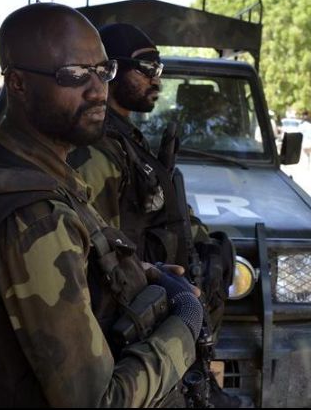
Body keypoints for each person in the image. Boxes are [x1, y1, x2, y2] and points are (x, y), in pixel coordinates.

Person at [0, 4, 201, 407]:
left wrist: (135, 272)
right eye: (73, 75)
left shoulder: (12, 166)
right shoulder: (31, 213)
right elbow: (98, 402)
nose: (97, 90)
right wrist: (185, 324)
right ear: (17, 84)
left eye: (103, 71)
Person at [67, 23, 240, 407]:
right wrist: (147, 272)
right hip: (133, 314)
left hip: (163, 306)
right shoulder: (98, 149)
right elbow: (91, 240)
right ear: (111, 70)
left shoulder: (127, 139)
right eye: (146, 68)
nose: (155, 79)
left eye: (159, 69)